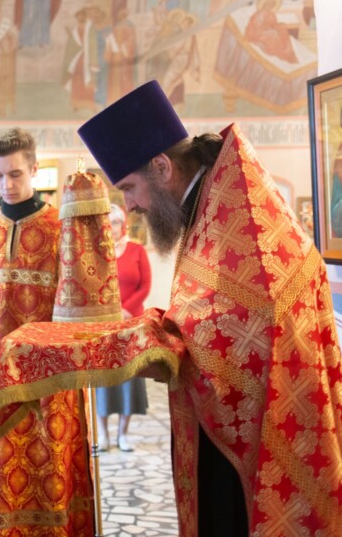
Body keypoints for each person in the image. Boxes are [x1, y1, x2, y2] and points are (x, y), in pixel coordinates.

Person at [77, 80, 342, 536]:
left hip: (262, 434)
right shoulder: (214, 202)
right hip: (230, 425)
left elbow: (251, 315)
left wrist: (158, 340)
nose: (130, 205)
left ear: (162, 167)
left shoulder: (240, 214)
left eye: (129, 188)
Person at [0, 128, 94, 535]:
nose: (7, 185)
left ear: (34, 169)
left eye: (16, 174)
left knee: (49, 473)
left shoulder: (61, 228)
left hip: (47, 379)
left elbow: (79, 305)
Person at [95, 204, 150, 452]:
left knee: (129, 378)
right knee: (103, 379)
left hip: (131, 324)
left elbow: (145, 286)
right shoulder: (95, 253)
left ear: (123, 224)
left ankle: (123, 433)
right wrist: (108, 313)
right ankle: (103, 433)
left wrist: (126, 310)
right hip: (104, 324)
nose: (111, 227)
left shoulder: (137, 250)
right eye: (106, 223)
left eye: (115, 222)